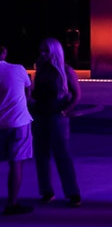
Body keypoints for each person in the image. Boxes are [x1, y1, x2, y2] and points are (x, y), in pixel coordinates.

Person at [31, 38, 81, 207]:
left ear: (54, 51)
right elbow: (36, 93)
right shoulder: (41, 69)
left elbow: (77, 94)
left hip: (57, 116)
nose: (42, 54)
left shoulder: (65, 70)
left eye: (46, 50)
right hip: (40, 115)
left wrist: (65, 111)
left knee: (62, 154)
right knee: (41, 155)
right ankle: (46, 191)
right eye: (41, 50)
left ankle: (73, 193)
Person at [0, 45, 34, 216]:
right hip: (18, 121)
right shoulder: (17, 69)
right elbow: (29, 88)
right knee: (16, 164)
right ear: (4, 53)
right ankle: (12, 203)